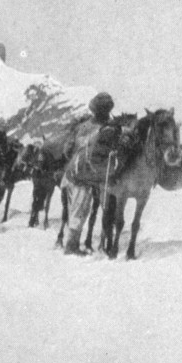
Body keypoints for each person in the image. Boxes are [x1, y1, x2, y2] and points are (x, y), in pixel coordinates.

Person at [60, 92, 114, 255]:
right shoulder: (110, 128)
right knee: (81, 210)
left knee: (77, 210)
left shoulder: (81, 126)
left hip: (73, 173)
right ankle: (71, 246)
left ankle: (72, 243)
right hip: (89, 177)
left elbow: (67, 150)